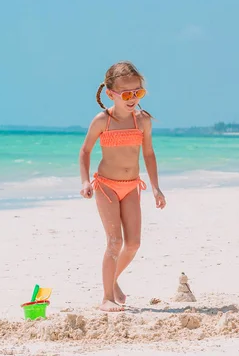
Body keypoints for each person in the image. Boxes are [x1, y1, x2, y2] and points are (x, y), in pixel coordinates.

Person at [79, 61, 166, 312]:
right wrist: (85, 181)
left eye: (138, 93)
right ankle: (106, 297)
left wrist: (156, 187)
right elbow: (85, 152)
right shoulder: (102, 121)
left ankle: (113, 279)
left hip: (131, 187)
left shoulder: (143, 121)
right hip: (105, 185)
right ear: (111, 94)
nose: (133, 98)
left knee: (134, 244)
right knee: (114, 242)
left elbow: (148, 154)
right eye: (127, 94)